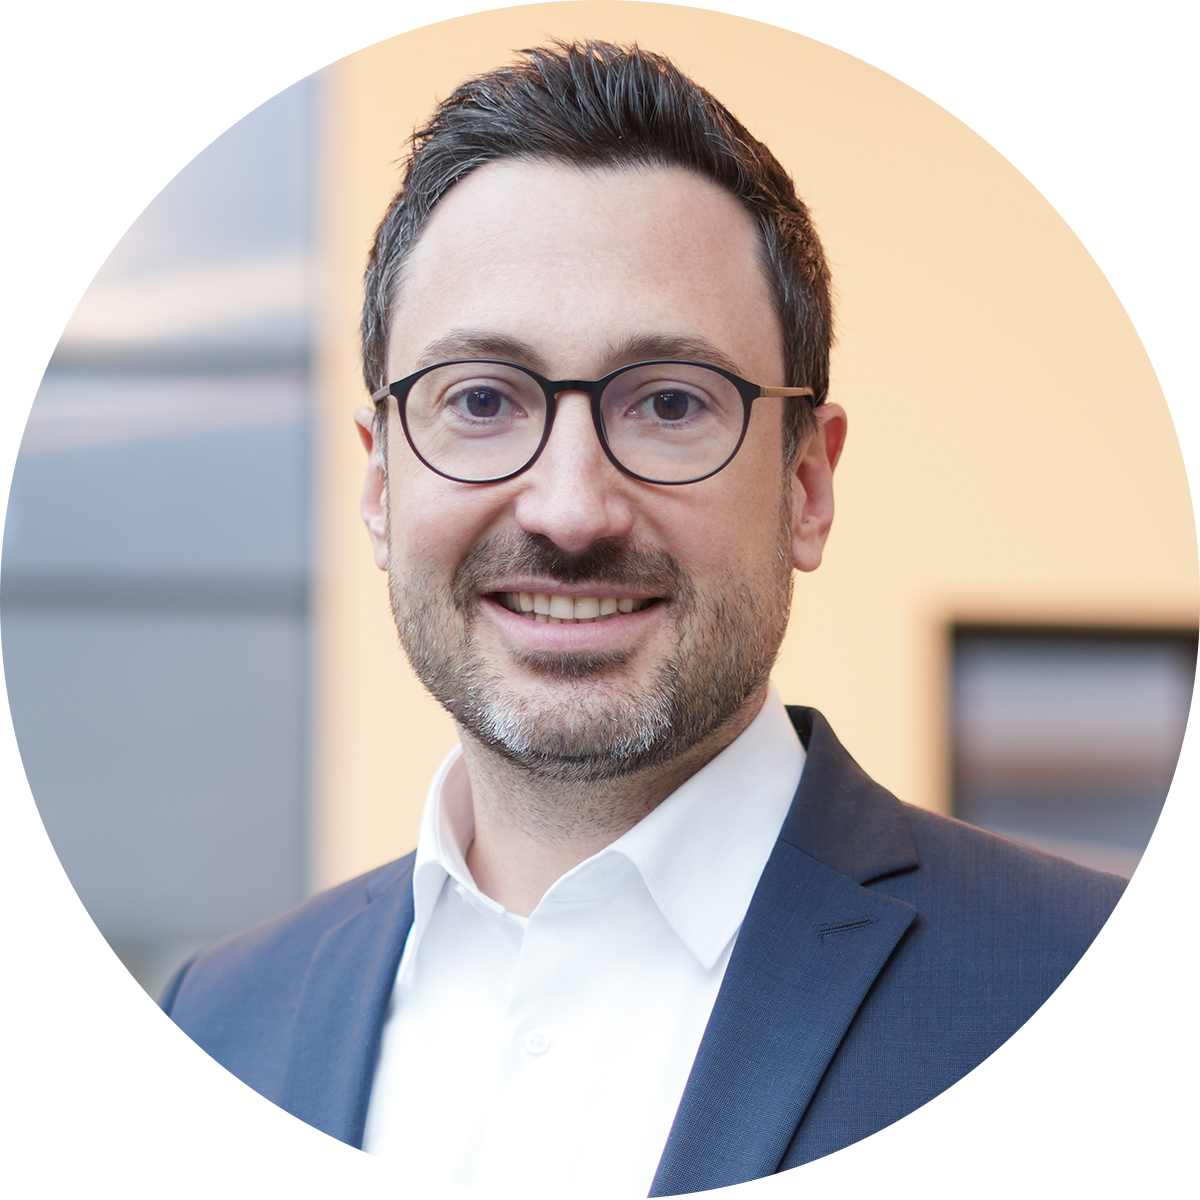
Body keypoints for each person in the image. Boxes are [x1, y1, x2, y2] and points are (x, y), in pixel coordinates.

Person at [161, 41, 1125, 1196]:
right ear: (379, 485)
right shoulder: (213, 1026)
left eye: (669, 403)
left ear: (807, 486)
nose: (571, 509)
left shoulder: (1097, 994)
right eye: (481, 398)